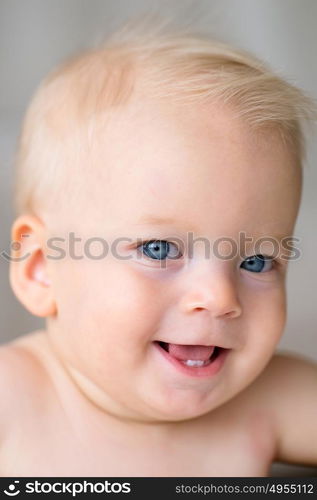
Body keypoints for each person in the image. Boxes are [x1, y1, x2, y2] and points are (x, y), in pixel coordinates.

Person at [2, 19, 317, 476]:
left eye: (256, 260)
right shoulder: (13, 399)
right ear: (41, 268)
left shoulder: (271, 397)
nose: (219, 298)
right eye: (158, 250)